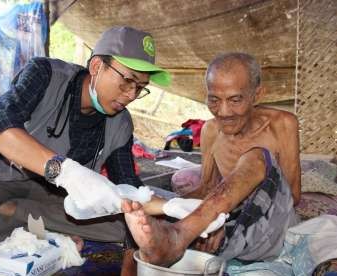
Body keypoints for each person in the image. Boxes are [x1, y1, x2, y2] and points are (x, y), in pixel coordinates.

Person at [0, 26, 171, 254]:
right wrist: (67, 172)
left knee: (127, 228)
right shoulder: (45, 74)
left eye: (140, 87)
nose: (131, 95)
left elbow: (128, 185)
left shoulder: (121, 122)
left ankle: (17, 215)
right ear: (97, 66)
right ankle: (40, 230)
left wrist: (171, 206)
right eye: (127, 81)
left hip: (49, 196)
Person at [123, 52, 301, 266]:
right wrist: (171, 207)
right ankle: (160, 249)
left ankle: (179, 236)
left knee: (257, 156)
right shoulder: (211, 131)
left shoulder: (283, 124)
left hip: (274, 226)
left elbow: (293, 195)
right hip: (234, 233)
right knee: (143, 204)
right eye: (214, 100)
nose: (224, 112)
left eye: (235, 100)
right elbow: (207, 188)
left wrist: (223, 216)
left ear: (257, 95)